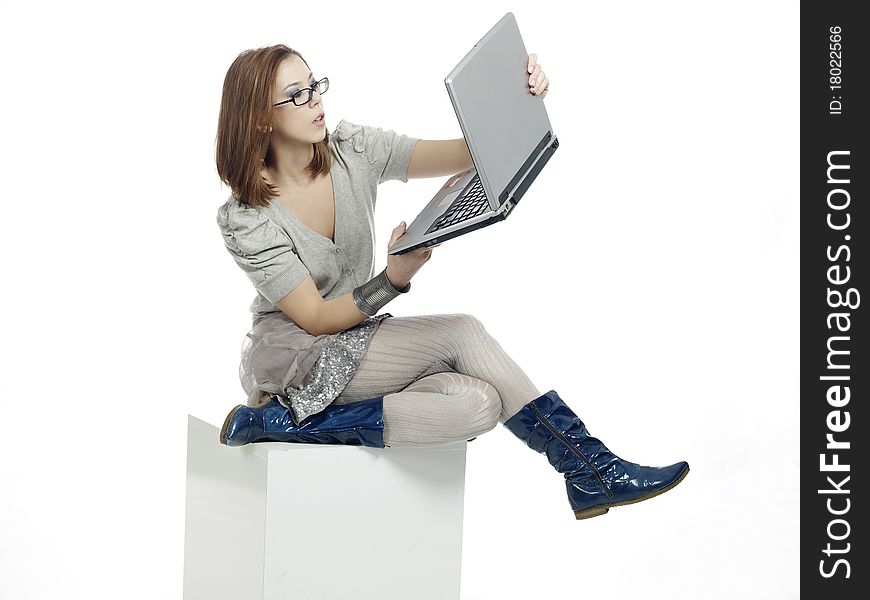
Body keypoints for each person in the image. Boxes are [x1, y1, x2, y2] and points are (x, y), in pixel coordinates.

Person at [214, 44, 689, 520]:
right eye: (296, 95)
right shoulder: (247, 219)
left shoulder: (352, 150)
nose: (316, 100)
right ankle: (591, 468)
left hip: (358, 340)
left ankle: (289, 426)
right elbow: (315, 318)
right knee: (462, 331)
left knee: (478, 403)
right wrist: (391, 281)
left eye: (315, 85)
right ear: (260, 120)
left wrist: (521, 100)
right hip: (295, 356)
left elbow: (469, 154)